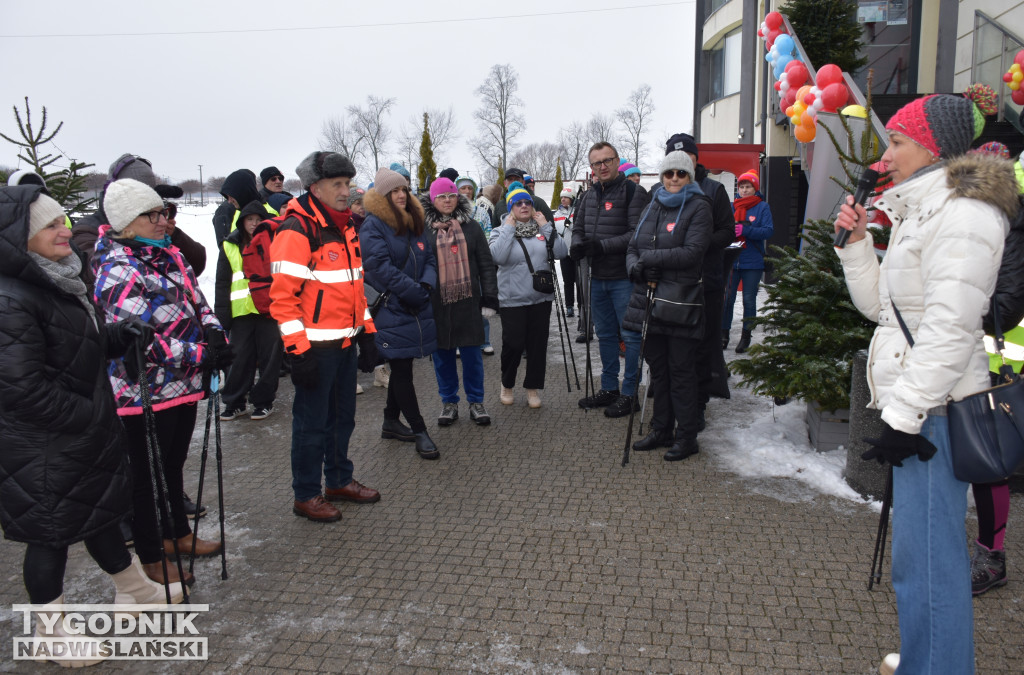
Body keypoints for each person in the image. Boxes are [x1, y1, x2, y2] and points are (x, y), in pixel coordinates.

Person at [833, 85, 1016, 675]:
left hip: (933, 415)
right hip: (915, 411)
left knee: (932, 563)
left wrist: (904, 414)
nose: (884, 156)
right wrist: (858, 247)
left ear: (934, 148)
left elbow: (950, 330)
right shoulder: (925, 212)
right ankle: (925, 659)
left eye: (898, 141)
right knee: (916, 562)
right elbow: (883, 311)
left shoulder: (965, 216)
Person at [0, 186, 184, 667]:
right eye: (50, 225)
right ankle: (51, 631)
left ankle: (135, 589)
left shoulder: (59, 279)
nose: (65, 231)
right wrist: (87, 417)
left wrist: (118, 337)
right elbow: (19, 387)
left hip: (79, 434)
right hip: (42, 445)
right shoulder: (10, 298)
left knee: (98, 514)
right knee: (51, 536)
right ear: (17, 237)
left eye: (64, 221)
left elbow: (75, 349)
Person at [93, 179, 232, 586]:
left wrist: (215, 336)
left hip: (183, 385)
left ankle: (177, 534)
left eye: (165, 213)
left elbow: (198, 302)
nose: (164, 221)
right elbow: (141, 339)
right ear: (125, 222)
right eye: (153, 215)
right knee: (145, 476)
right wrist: (198, 355)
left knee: (171, 466)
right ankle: (152, 556)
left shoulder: (169, 255)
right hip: (143, 390)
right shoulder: (117, 267)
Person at [269, 151, 381, 522]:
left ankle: (338, 480)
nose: (345, 191)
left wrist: (367, 334)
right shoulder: (297, 229)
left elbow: (353, 288)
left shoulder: (346, 226)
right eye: (337, 184)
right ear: (315, 187)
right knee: (311, 424)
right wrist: (299, 353)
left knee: (342, 419)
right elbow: (282, 301)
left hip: (345, 344)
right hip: (316, 349)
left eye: (348, 184)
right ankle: (305, 494)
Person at [624, 151, 712, 461]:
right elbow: (634, 246)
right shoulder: (653, 205)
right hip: (649, 301)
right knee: (658, 370)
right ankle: (661, 428)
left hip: (680, 302)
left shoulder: (700, 207)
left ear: (690, 176)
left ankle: (686, 436)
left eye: (681, 173)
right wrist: (636, 267)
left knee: (681, 371)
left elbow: (692, 252)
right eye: (669, 173)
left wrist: (651, 260)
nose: (674, 178)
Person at [360, 167, 440, 459]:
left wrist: (426, 285)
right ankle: (420, 430)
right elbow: (379, 268)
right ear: (383, 195)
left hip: (416, 302)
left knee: (402, 363)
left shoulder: (414, 220)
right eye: (394, 190)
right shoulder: (373, 225)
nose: (401, 195)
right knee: (402, 368)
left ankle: (390, 421)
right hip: (393, 306)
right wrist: (413, 290)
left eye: (404, 189)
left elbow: (429, 256)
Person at [570, 141, 649, 417]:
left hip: (622, 277)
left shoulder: (633, 192)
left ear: (617, 161)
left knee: (629, 335)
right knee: (604, 335)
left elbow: (635, 234)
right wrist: (577, 245)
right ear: (591, 168)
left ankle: (629, 393)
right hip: (596, 276)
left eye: (607, 160)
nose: (602, 167)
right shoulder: (588, 195)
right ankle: (609, 388)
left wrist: (601, 247)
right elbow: (577, 227)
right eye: (596, 163)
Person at [664, 133, 737, 425]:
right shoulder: (662, 189)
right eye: (675, 159)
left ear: (696, 160)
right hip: (673, 285)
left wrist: (697, 245)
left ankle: (699, 405)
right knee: (675, 348)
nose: (682, 165)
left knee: (704, 345)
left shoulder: (714, 190)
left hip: (706, 282)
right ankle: (671, 402)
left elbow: (728, 232)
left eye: (689, 159)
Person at [419, 177, 499, 426]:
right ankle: (449, 403)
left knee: (472, 355)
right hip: (437, 303)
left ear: (458, 198)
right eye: (441, 196)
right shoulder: (423, 229)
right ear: (433, 199)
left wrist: (489, 298)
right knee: (442, 356)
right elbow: (418, 266)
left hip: (468, 301)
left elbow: (486, 264)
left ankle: (476, 402)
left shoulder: (472, 227)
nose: (447, 200)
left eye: (451, 196)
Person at [72, 153, 202, 287]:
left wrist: (174, 235)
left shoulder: (154, 224)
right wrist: (133, 239)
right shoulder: (86, 230)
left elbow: (197, 265)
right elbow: (98, 274)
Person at [489, 186, 567, 408]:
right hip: (512, 299)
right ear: (511, 208)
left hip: (540, 298)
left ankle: (532, 388)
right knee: (513, 344)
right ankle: (507, 384)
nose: (524, 206)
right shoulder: (499, 231)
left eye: (527, 202)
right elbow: (499, 257)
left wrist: (547, 226)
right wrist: (508, 229)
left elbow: (561, 252)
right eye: (518, 203)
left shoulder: (542, 230)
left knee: (537, 345)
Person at [216, 200, 284, 421]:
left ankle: (263, 402)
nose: (254, 224)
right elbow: (222, 282)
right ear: (241, 221)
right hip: (240, 313)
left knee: (269, 359)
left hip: (269, 309)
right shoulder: (229, 245)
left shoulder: (274, 242)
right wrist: (222, 314)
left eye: (258, 220)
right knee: (239, 360)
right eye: (250, 219)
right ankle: (234, 402)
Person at [722, 169, 773, 354]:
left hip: (753, 262)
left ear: (755, 188)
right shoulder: (731, 206)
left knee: (749, 300)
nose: (744, 190)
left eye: (748, 186)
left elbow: (768, 231)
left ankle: (746, 336)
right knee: (727, 300)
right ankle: (724, 334)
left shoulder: (762, 207)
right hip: (731, 261)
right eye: (742, 186)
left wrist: (746, 231)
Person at [553, 187, 576, 317]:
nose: (563, 199)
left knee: (579, 282)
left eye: (566, 197)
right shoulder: (557, 215)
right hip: (564, 252)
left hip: (576, 251)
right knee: (568, 281)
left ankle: (582, 305)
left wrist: (571, 225)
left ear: (571, 199)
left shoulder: (576, 212)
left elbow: (579, 228)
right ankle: (569, 306)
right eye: (562, 197)